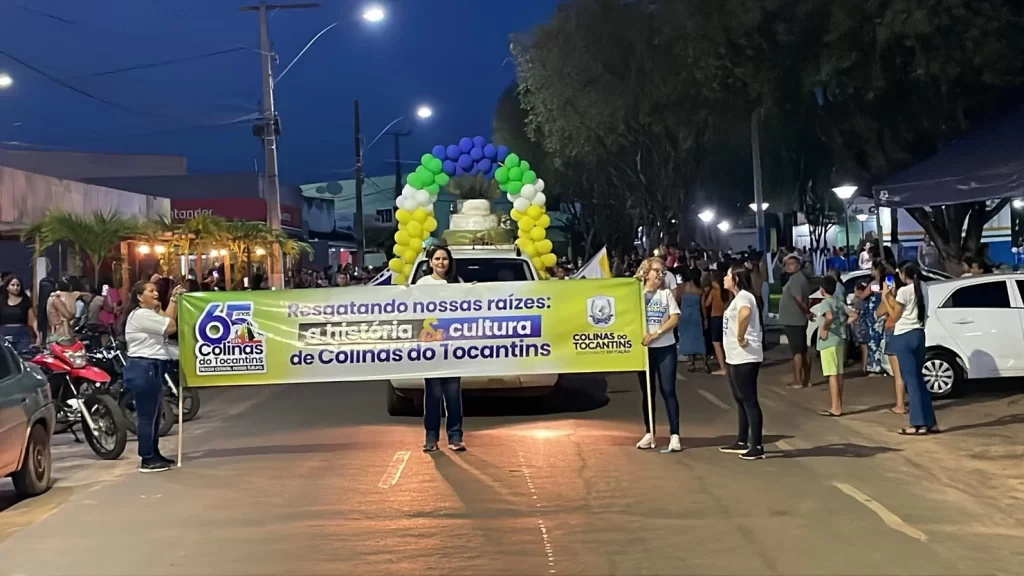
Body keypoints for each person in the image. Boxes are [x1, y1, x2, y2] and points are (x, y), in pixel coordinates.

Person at [121, 280, 182, 472]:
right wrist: (170, 304)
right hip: (144, 367)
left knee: (155, 415)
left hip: (152, 366)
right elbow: (171, 327)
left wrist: (171, 301)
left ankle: (154, 453)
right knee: (147, 415)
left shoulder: (149, 314)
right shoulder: (141, 315)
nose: (155, 294)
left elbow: (167, 321)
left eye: (156, 291)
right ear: (139, 297)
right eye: (151, 291)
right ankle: (147, 458)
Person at [415, 245, 465, 452]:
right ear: (430, 262)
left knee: (453, 393)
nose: (441, 262)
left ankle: (455, 437)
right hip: (431, 346)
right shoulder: (422, 284)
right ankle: (431, 437)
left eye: (444, 259)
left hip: (452, 346)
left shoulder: (458, 284)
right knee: (433, 393)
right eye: (437, 259)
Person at [883, 263, 939, 435]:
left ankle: (917, 424)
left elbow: (895, 315)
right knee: (919, 380)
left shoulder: (904, 291)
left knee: (911, 382)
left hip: (904, 336)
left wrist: (886, 297)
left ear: (903, 274)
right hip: (919, 335)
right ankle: (930, 422)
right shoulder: (923, 287)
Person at [633, 258, 682, 453]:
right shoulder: (636, 295)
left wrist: (657, 334)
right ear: (647, 272)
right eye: (657, 272)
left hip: (665, 347)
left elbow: (674, 318)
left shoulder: (666, 295)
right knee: (648, 392)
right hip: (644, 350)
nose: (661, 276)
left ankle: (675, 434)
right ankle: (649, 431)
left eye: (664, 272)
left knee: (668, 390)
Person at [719, 262, 765, 460]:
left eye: (727, 275)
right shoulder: (737, 298)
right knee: (739, 399)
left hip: (746, 356)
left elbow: (745, 313)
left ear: (735, 278)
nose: (724, 278)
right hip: (734, 357)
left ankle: (757, 445)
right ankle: (741, 440)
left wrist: (740, 336)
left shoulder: (745, 296)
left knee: (749, 399)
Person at [816, 276, 849, 417]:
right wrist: (842, 325)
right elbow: (853, 314)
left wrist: (824, 328)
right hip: (839, 340)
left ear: (822, 290)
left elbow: (828, 317)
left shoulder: (826, 303)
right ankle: (838, 404)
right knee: (839, 374)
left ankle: (835, 407)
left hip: (828, 341)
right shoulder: (838, 302)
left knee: (832, 375)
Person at [779, 256, 813, 389]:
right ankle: (804, 380)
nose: (788, 266)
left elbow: (799, 299)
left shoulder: (796, 280)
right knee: (801, 349)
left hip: (794, 320)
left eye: (791, 264)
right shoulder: (797, 279)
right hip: (795, 319)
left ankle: (798, 380)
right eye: (786, 264)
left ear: (798, 265)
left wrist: (806, 311)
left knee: (797, 351)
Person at [677, 268, 708, 371]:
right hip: (696, 316)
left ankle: (692, 363)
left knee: (687, 339)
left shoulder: (682, 287)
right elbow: (703, 306)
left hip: (684, 316)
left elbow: (677, 301)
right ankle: (705, 363)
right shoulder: (700, 289)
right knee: (699, 339)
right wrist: (705, 319)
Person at [702, 271, 729, 375]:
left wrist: (704, 295)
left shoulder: (714, 292)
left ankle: (722, 366)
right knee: (724, 341)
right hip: (725, 316)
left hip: (715, 317)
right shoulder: (726, 291)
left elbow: (706, 304)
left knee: (716, 343)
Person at [0, 276, 37, 353]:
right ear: (7, 287)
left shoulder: (25, 301)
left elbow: (33, 321)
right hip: (4, 334)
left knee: (23, 357)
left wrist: (38, 336)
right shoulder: (1, 301)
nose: (16, 287)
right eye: (12, 285)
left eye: (18, 285)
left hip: (22, 334)